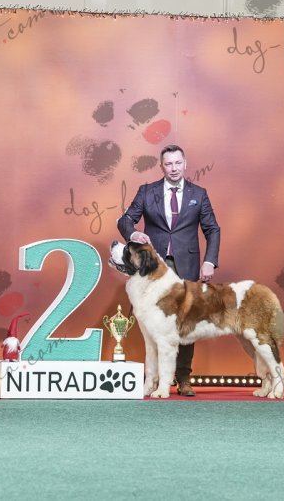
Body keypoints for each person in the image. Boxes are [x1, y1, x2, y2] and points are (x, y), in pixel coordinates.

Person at [117, 144, 220, 397]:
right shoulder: (146, 191)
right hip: (154, 269)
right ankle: (152, 379)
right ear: (162, 166)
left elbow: (212, 229)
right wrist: (133, 233)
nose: (174, 168)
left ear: (185, 164)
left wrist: (209, 261)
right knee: (152, 324)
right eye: (168, 164)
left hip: (187, 266)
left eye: (178, 163)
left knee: (185, 321)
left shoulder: (199, 194)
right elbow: (125, 220)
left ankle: (183, 378)